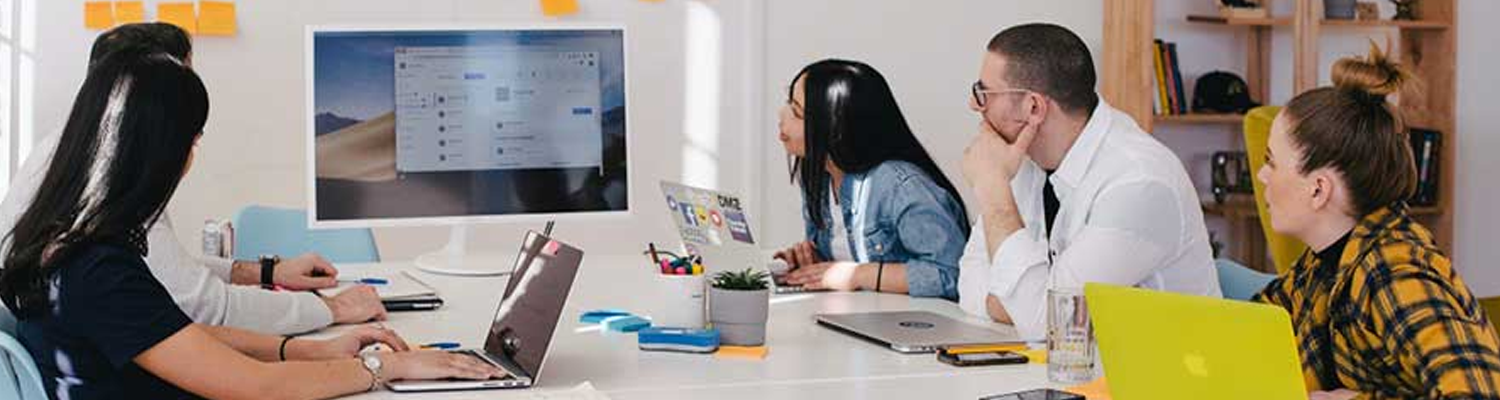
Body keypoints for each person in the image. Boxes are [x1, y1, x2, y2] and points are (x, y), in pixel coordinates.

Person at [0, 45, 503, 400]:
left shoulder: (68, 244)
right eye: (191, 141)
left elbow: (178, 337)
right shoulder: (98, 270)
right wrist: (382, 367)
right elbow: (253, 387)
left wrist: (311, 352)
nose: (191, 157)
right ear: (154, 149)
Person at [0, 23, 384, 335]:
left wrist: (265, 273)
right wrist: (331, 310)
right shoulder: (105, 181)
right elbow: (205, 307)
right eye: (177, 83)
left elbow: (160, 269)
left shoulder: (70, 153)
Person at [1252, 44, 1500, 400]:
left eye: (1271, 161)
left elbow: (1481, 394)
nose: (1261, 175)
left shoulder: (1394, 273)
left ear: (1318, 189)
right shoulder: (1322, 263)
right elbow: (1259, 322)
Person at [956, 23, 1221, 339]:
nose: (975, 105)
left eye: (984, 93)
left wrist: (994, 191)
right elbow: (969, 280)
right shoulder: (1023, 158)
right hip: (1080, 372)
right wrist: (1024, 305)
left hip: (1165, 383)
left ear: (1033, 107)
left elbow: (1049, 323)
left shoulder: (1140, 182)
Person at [773, 59, 970, 300]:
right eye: (788, 103)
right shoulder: (819, 176)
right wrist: (816, 264)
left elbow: (952, 275)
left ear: (836, 127)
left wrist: (857, 275)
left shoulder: (899, 185)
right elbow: (848, 259)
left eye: (796, 112)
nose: (782, 116)